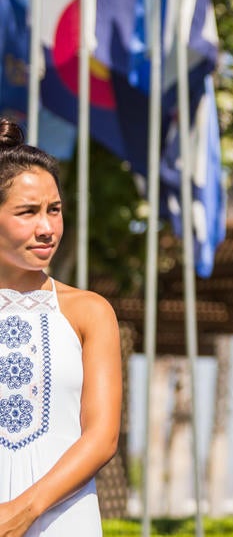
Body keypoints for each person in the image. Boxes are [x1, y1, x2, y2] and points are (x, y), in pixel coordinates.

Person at [0, 120, 121, 537]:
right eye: (27, 212)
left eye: (54, 209)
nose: (47, 228)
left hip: (65, 522)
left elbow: (102, 437)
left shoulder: (90, 311)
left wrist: (23, 511)